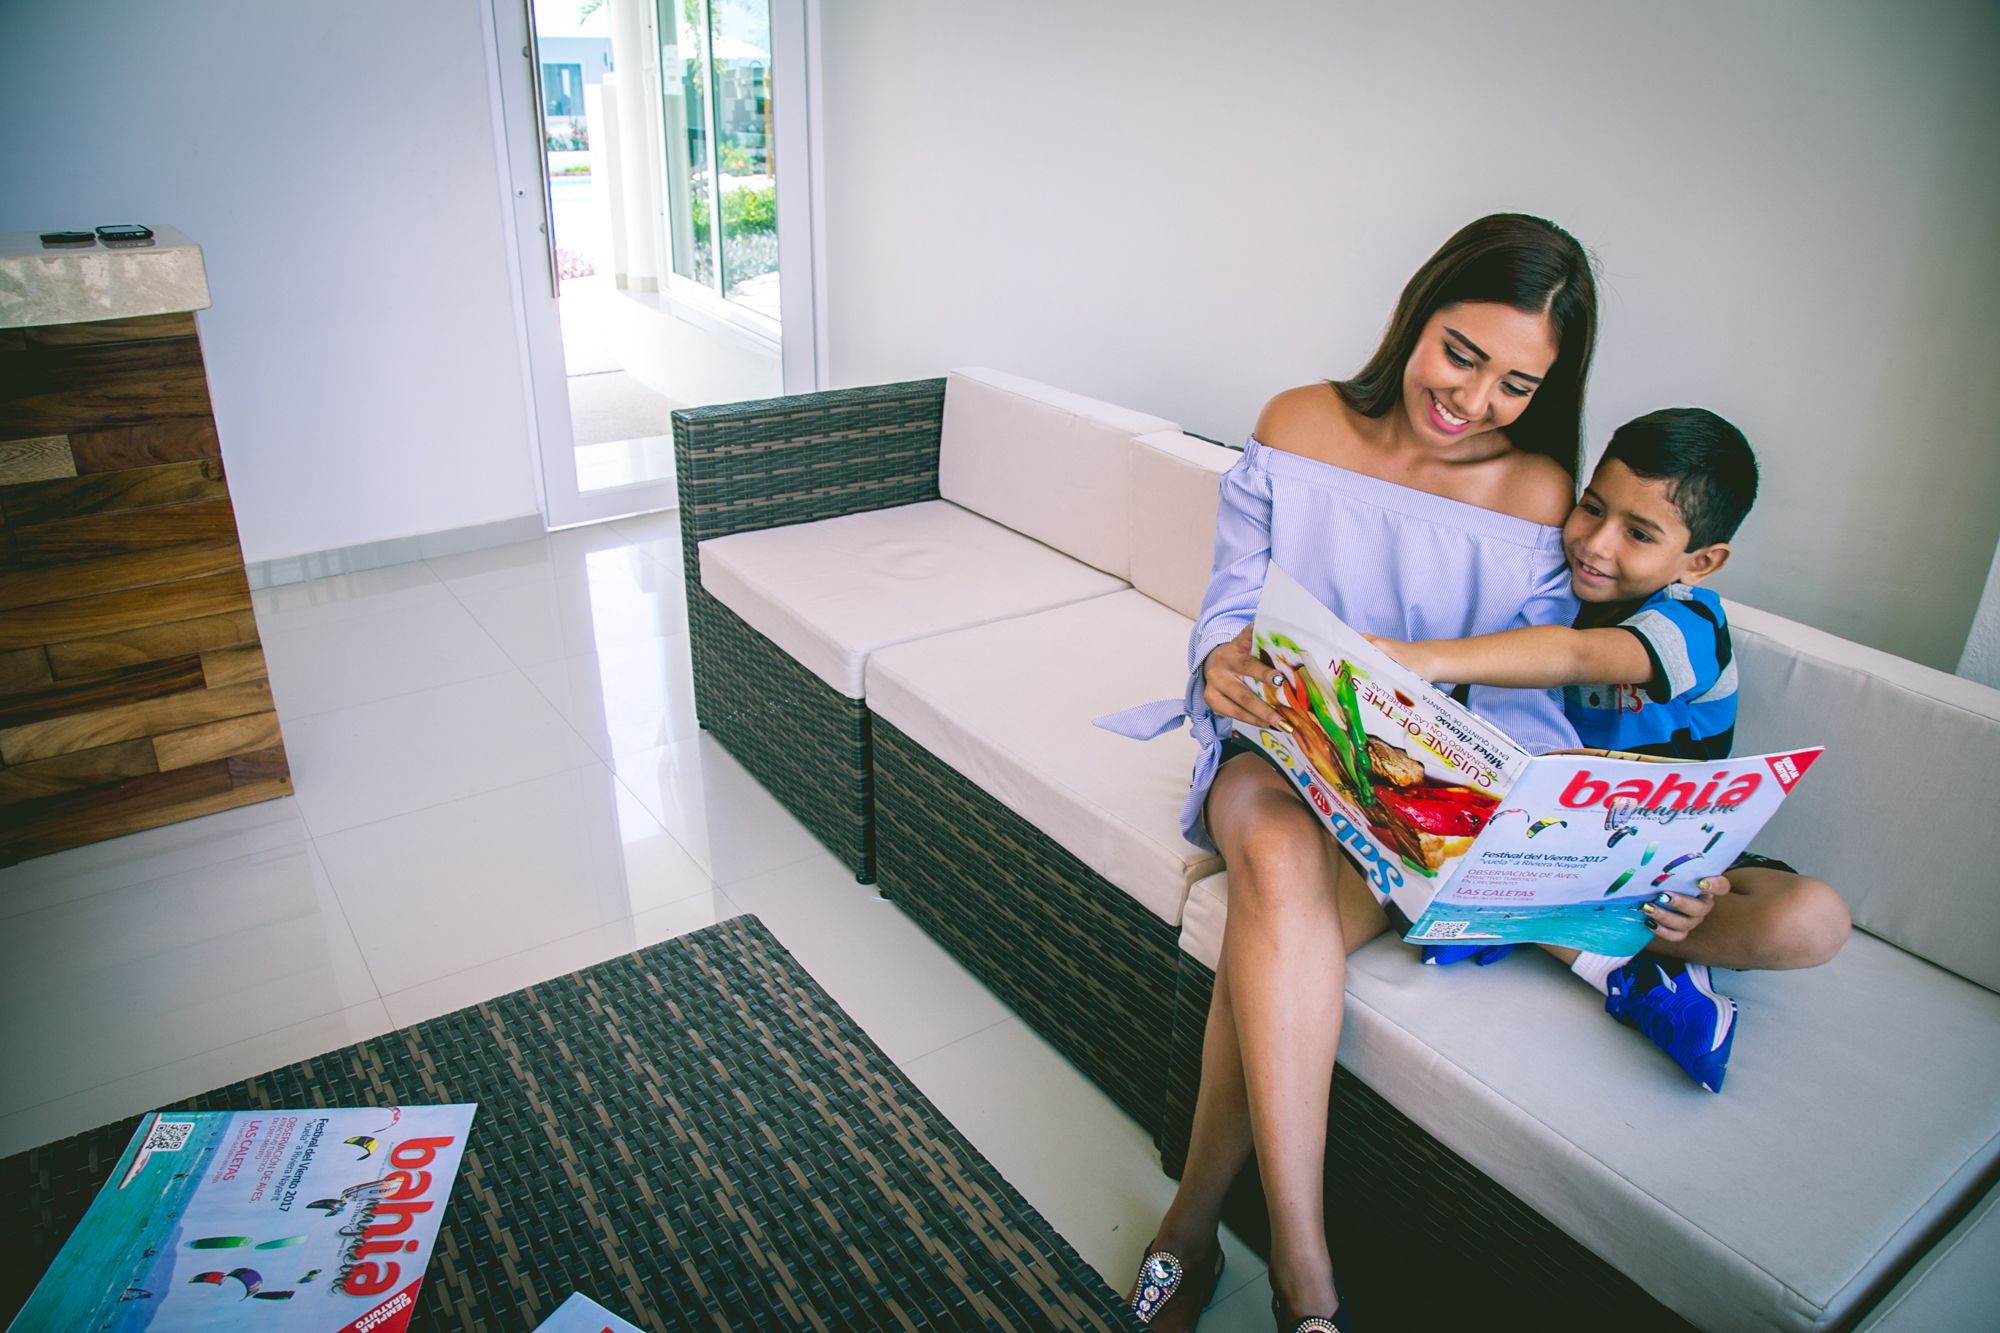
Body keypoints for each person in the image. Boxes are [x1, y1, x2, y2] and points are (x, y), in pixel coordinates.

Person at [1104, 214, 1598, 1333]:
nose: (1472, 401)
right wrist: (1221, 662)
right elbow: (1230, 599)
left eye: (1516, 384)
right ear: (1417, 315)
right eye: (1460, 354)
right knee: (1276, 846)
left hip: (1399, 805)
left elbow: (1525, 701)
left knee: (1277, 923)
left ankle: (1189, 1225)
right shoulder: (1298, 422)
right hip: (1269, 754)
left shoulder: (1532, 494)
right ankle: (1305, 1277)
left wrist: (1531, 801)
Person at [1368, 408, 1851, 1093]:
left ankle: (1544, 924)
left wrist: (1415, 658)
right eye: (1591, 508)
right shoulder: (1543, 586)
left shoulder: (1693, 622)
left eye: (1638, 533)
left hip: (1670, 858)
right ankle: (1619, 964)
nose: (1595, 543)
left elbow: (1577, 655)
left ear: (1700, 561)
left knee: (1815, 918)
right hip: (1545, 839)